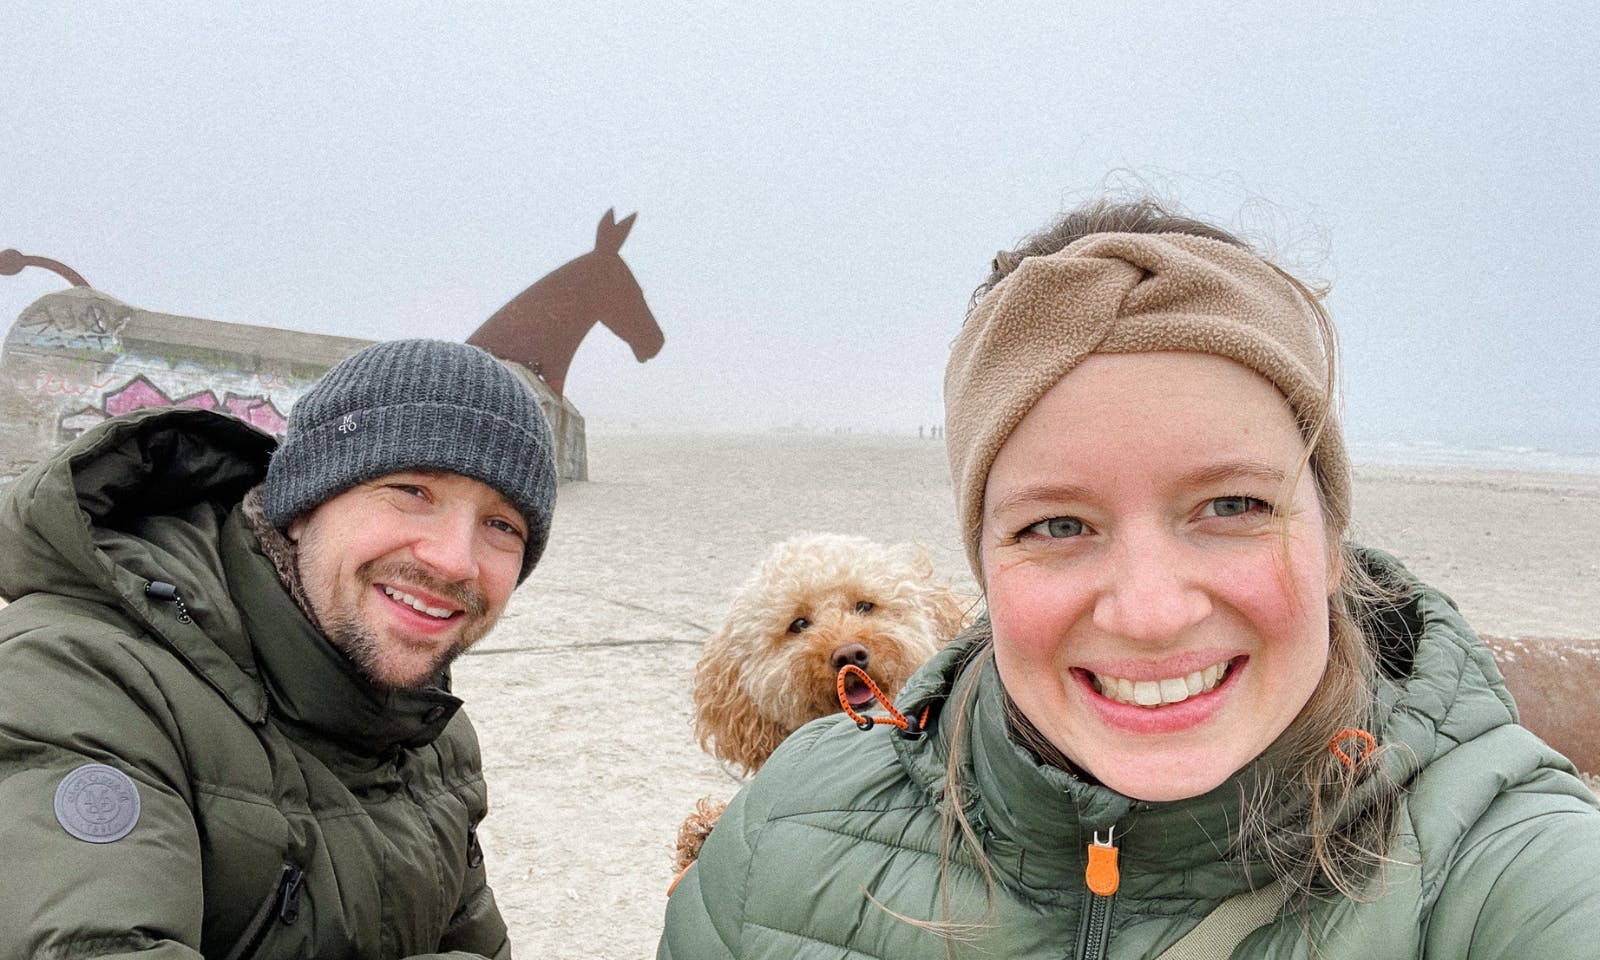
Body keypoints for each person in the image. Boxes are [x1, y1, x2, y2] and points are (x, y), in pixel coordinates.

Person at [659, 198, 1600, 958]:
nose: (1151, 615)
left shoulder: (1500, 864)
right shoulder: (774, 841)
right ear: (983, 559)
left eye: (1232, 506)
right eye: (1058, 523)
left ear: (1331, 532)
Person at [0, 339, 556, 959]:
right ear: (301, 506)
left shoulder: (432, 734)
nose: (455, 560)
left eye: (503, 526)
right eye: (412, 490)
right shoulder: (78, 681)